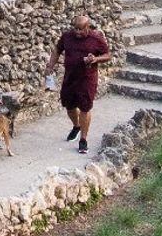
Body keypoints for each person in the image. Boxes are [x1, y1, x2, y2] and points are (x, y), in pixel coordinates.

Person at [46, 15, 112, 154]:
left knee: (84, 108)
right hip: (70, 77)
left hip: (87, 79)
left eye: (80, 29)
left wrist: (95, 59)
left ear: (87, 27)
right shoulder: (67, 36)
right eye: (75, 28)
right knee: (69, 106)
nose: (77, 32)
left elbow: (107, 55)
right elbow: (57, 50)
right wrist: (50, 65)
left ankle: (83, 139)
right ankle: (76, 126)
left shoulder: (96, 39)